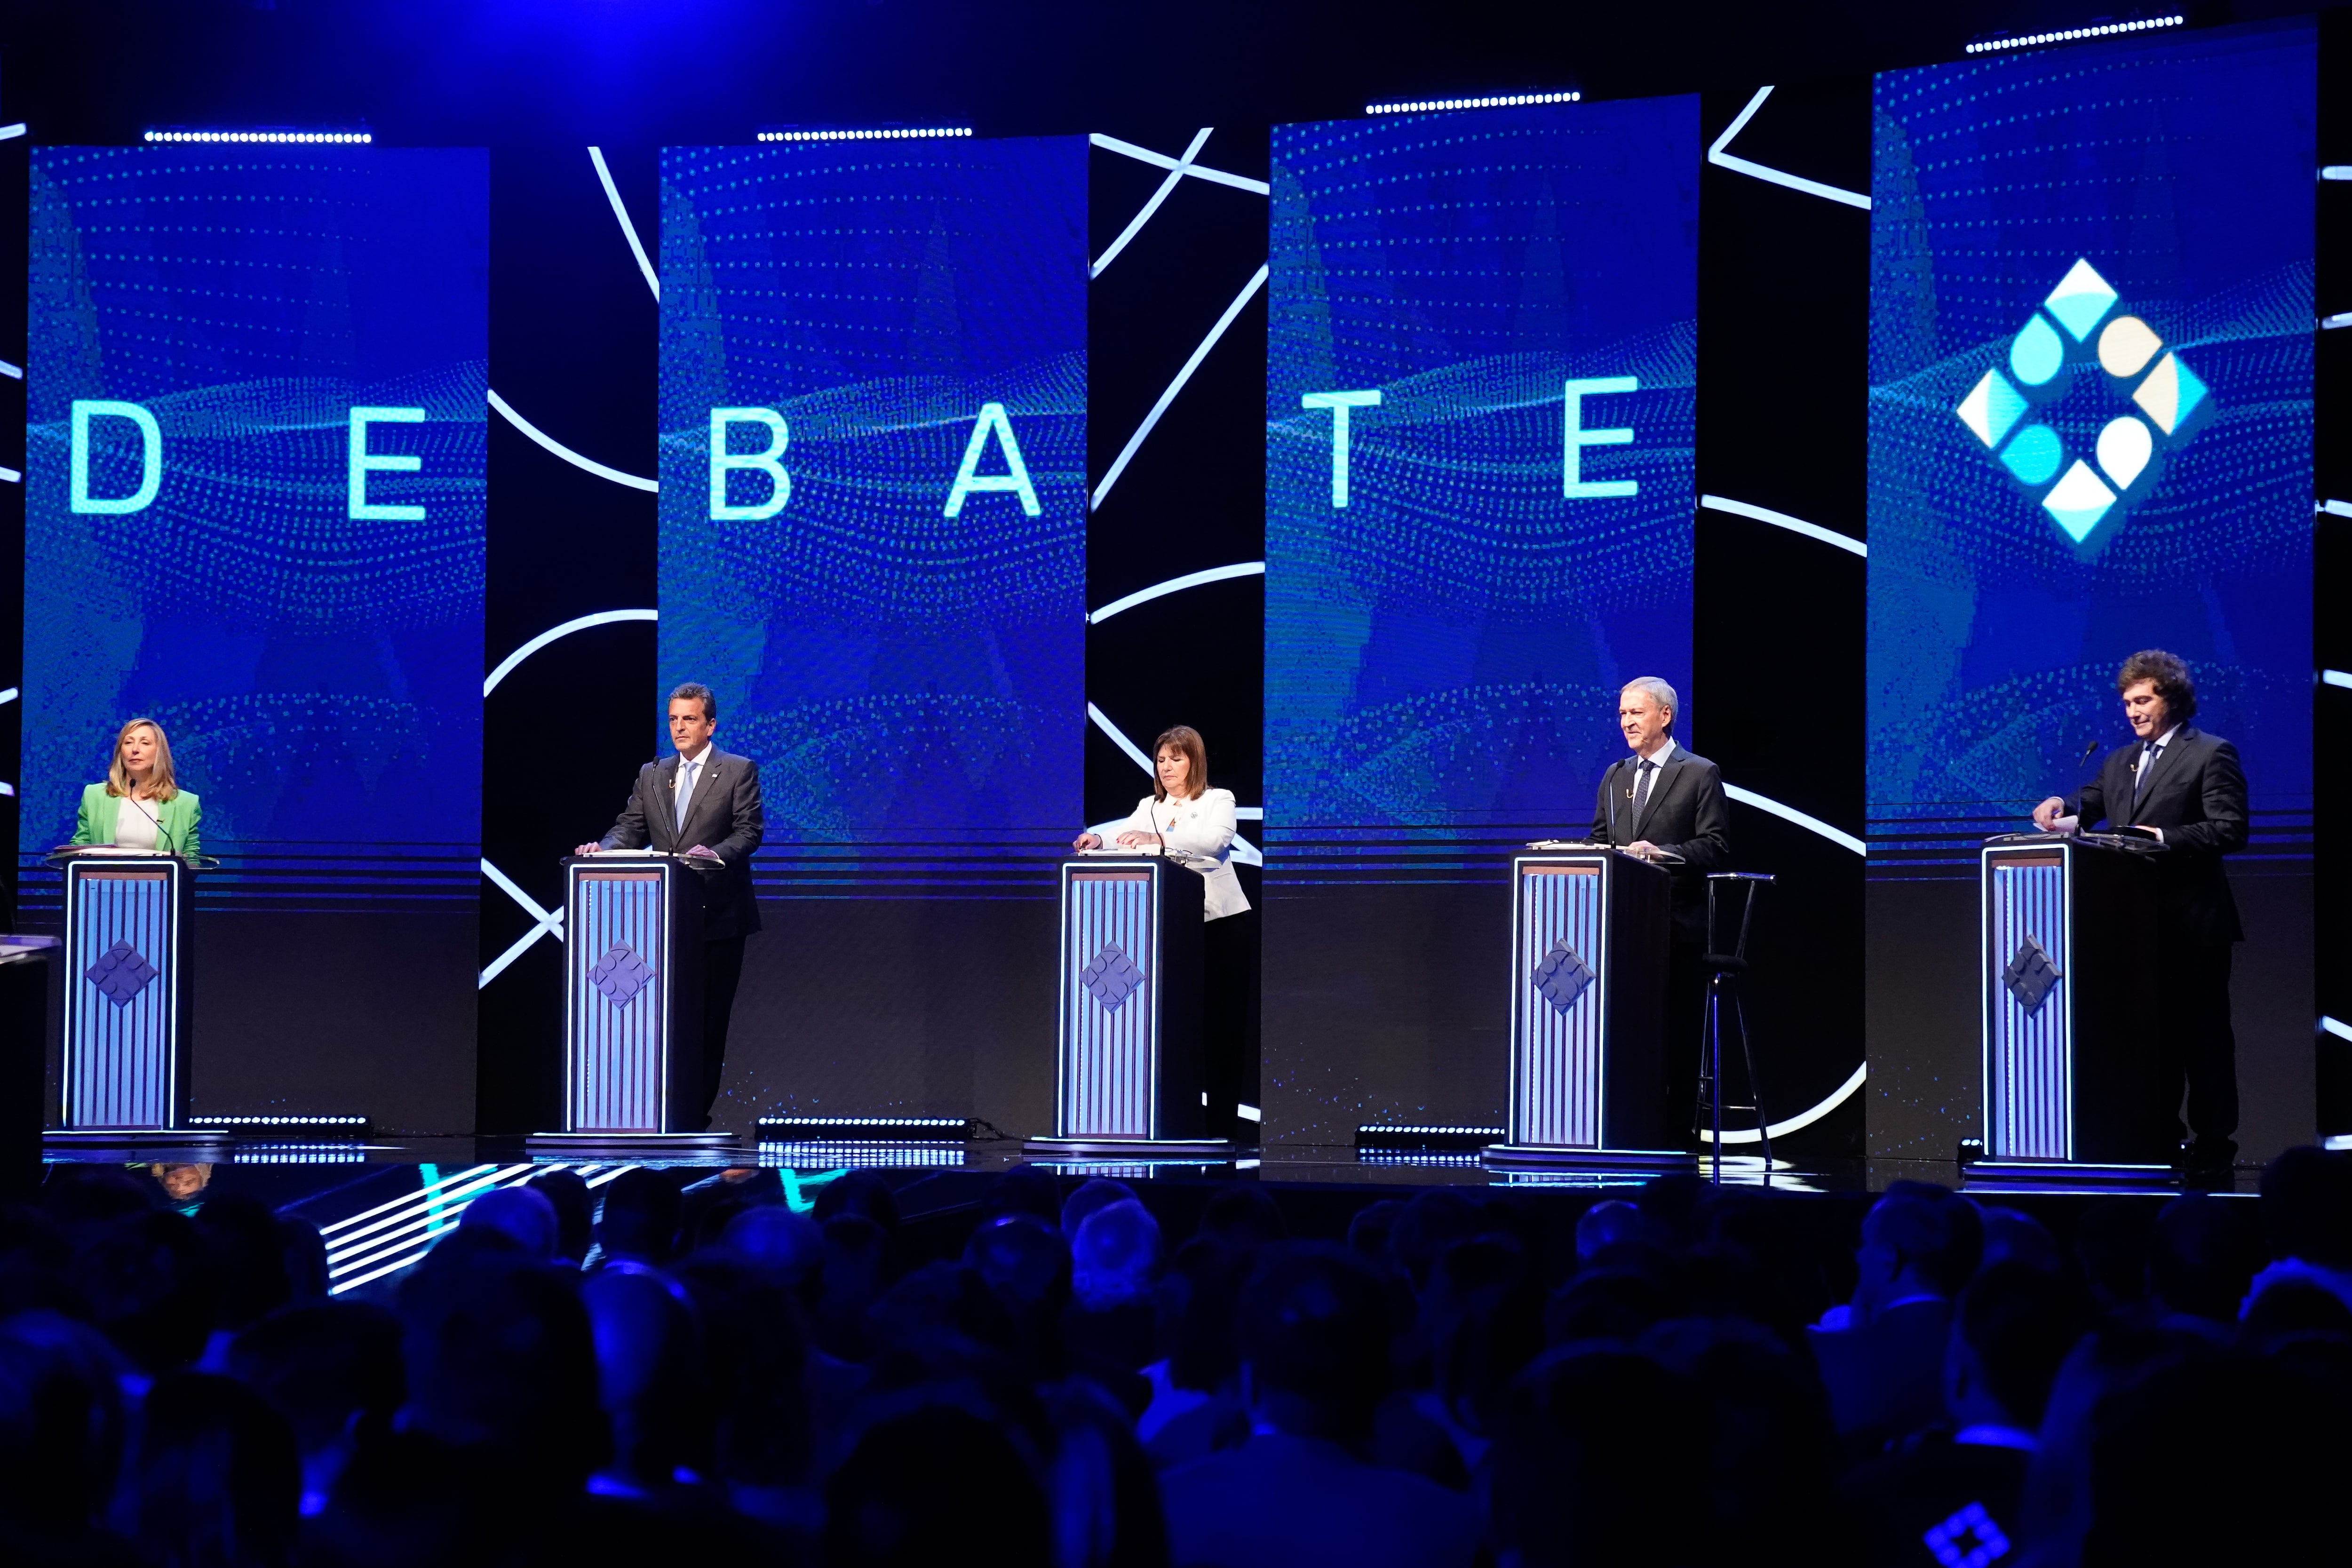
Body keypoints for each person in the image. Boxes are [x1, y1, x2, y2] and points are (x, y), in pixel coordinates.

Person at [2032, 649, 2247, 1181]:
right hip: (2133, 932)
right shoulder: (2119, 761)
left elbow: (2230, 829)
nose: (2132, 710)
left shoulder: (2210, 754)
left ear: (2170, 697)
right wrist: (2059, 809)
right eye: (2127, 702)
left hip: (2192, 926)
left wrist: (2163, 839)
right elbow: (2087, 808)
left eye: (2142, 699)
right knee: (2150, 1041)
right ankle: (2158, 1137)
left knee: (2202, 1040)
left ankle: (2214, 1144)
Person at [576, 682, 765, 1132]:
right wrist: (602, 851)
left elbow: (749, 831)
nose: (680, 728)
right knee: (661, 1024)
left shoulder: (737, 770)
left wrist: (714, 854)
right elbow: (629, 827)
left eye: (690, 719)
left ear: (710, 724)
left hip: (718, 919)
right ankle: (652, 1115)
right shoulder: (653, 774)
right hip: (660, 924)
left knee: (707, 1025)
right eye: (675, 719)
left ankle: (693, 1118)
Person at [1073, 724, 1256, 1138]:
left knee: (1222, 1029)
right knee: (1176, 1029)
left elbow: (1213, 842)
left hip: (1220, 928)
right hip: (1171, 934)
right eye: (1161, 759)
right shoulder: (1149, 805)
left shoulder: (1217, 800)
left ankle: (1223, 1129)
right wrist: (1098, 842)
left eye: (1176, 758)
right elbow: (1123, 835)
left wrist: (1156, 837)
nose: (1167, 766)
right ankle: (1179, 1124)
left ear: (1195, 761)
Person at [1586, 678, 1730, 1134]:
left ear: (1664, 716)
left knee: (1673, 1041)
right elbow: (1598, 841)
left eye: (1636, 713)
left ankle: (1675, 1138)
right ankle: (1622, 1129)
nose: (1626, 722)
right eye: (1622, 714)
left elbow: (1715, 846)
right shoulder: (1615, 776)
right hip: (1619, 931)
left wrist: (1661, 853)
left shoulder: (1698, 773)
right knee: (1622, 1039)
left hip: (1676, 927)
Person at [73, 717, 201, 859]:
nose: (135, 750)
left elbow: (191, 859)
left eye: (145, 743)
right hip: (105, 880)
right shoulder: (95, 796)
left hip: (159, 879)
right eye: (128, 743)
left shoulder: (185, 803)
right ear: (120, 752)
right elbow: (80, 847)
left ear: (159, 752)